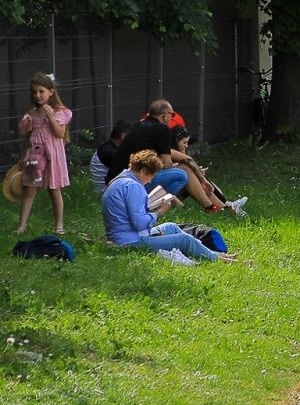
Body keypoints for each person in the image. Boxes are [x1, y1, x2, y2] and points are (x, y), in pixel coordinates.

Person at [103, 150, 235, 264]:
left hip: (122, 236)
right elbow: (139, 223)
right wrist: (160, 211)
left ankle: (213, 254)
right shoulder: (134, 186)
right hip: (130, 242)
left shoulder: (120, 180)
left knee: (170, 226)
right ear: (143, 171)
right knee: (185, 240)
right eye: (150, 177)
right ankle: (220, 260)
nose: (149, 181)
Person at [15, 72, 72, 235]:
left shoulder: (59, 111)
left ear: (51, 92)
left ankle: (59, 225)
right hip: (35, 156)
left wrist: (50, 116)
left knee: (54, 189)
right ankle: (22, 226)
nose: (37, 95)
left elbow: (60, 134)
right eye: (34, 92)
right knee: (29, 190)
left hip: (52, 156)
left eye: (41, 91)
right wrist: (24, 156)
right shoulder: (31, 114)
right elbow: (28, 137)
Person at [91, 120, 132, 196]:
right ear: (123, 136)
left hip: (105, 190)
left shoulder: (107, 147)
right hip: (105, 193)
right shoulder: (112, 153)